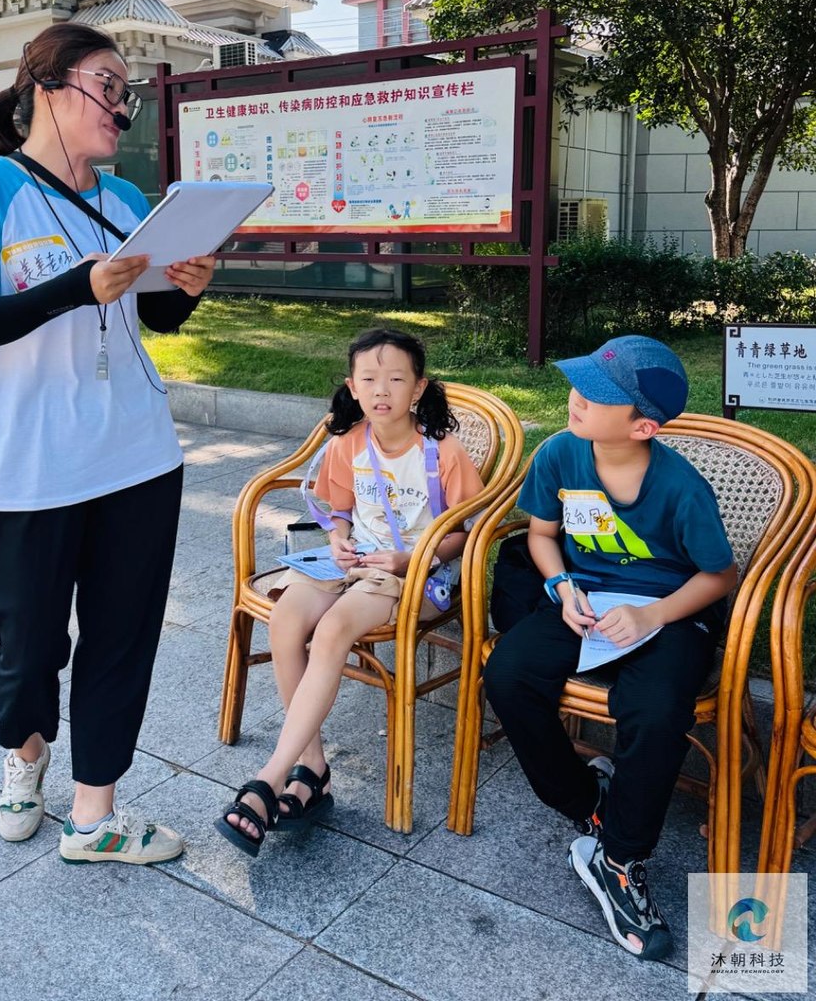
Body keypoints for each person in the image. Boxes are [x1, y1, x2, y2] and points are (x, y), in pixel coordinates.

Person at [0, 22, 215, 865]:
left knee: (121, 637)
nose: (122, 106)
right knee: (29, 645)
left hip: (138, 456)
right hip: (35, 465)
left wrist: (189, 286)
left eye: (128, 92)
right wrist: (75, 287)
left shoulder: (126, 202)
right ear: (47, 87)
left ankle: (94, 816)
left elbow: (156, 315)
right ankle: (25, 755)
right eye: (106, 85)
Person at [484, 335, 736, 960]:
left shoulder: (681, 487)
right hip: (585, 601)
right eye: (580, 383)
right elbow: (542, 536)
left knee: (655, 710)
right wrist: (561, 585)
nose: (576, 398)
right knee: (508, 674)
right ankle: (588, 804)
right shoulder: (559, 453)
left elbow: (719, 576)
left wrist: (653, 613)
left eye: (596, 395)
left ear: (643, 426)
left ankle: (620, 861)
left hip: (669, 611)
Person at [216, 327, 484, 856]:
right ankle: (312, 767)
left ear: (419, 388)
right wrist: (338, 539)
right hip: (350, 563)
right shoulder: (348, 444)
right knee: (286, 618)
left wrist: (415, 558)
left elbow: (468, 531)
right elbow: (337, 511)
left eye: (396, 379)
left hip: (411, 574)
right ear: (352, 387)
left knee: (333, 629)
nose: (382, 390)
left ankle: (272, 776)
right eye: (369, 380)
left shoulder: (442, 451)